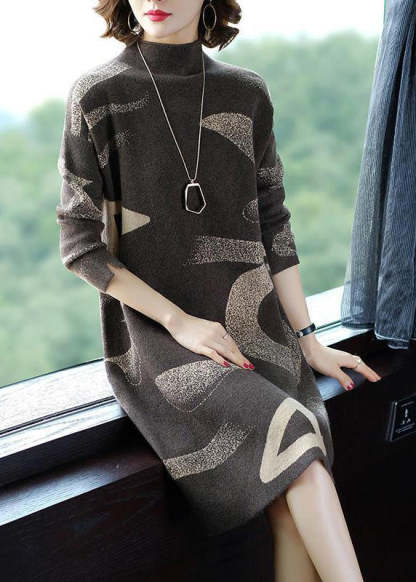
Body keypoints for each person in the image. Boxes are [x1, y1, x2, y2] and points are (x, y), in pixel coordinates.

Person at [56, 1, 381, 579]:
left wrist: (308, 339)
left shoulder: (246, 93)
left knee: (290, 499)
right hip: (161, 343)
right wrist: (179, 322)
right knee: (297, 443)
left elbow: (273, 225)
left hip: (258, 329)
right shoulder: (98, 95)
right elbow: (80, 246)